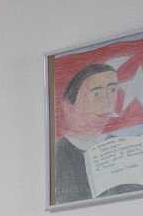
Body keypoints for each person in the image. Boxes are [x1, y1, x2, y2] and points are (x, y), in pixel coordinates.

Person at [49, 61, 118, 205]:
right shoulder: (58, 154)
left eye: (112, 91)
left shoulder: (118, 145)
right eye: (96, 93)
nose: (107, 101)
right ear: (70, 104)